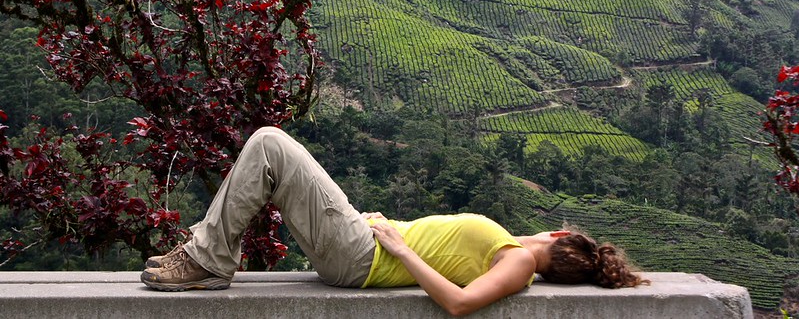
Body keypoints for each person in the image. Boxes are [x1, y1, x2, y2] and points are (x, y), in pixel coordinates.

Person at [141, 127, 645, 316]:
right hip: (366, 245)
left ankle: (206, 259)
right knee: (271, 151)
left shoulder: (518, 263)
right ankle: (205, 254)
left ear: (555, 239)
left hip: (363, 257)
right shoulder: (509, 249)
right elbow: (444, 245)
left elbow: (461, 303)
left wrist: (401, 249)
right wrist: (395, 226)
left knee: (270, 143)